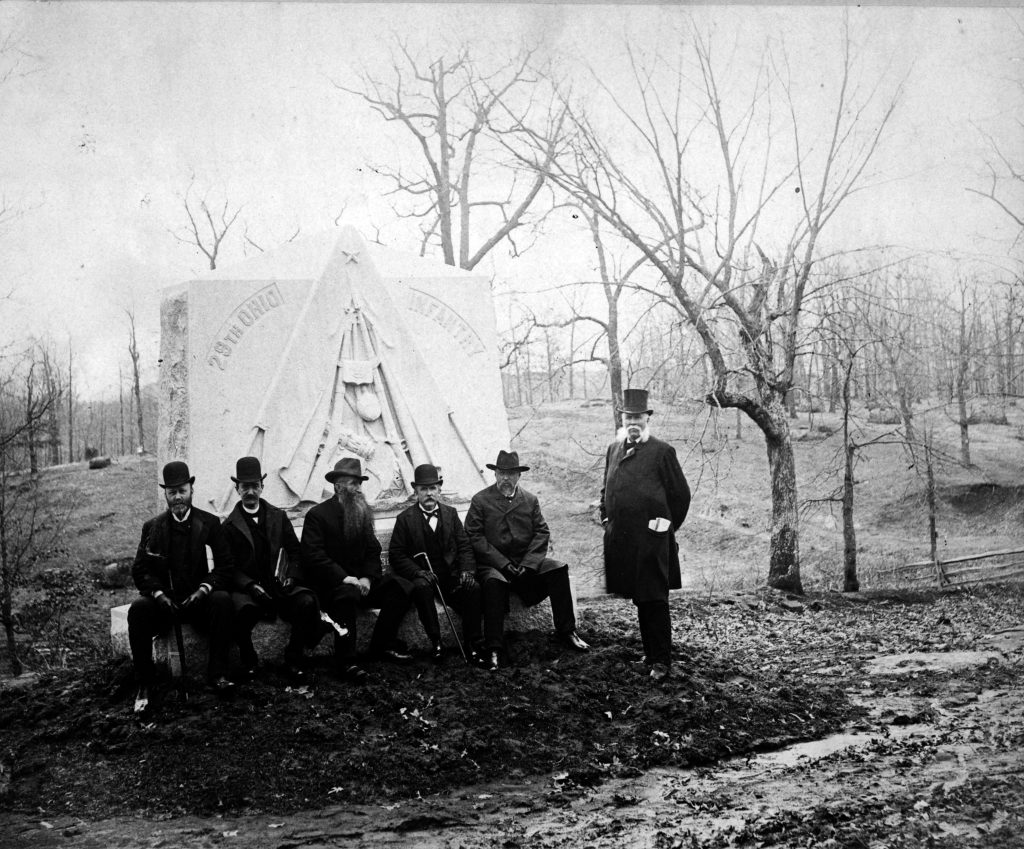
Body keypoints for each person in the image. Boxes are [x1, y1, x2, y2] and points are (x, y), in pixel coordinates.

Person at [465, 450, 589, 671]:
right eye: (502, 473)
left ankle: (566, 631)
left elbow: (542, 532)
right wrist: (503, 563)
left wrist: (529, 564)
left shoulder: (530, 500)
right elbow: (474, 536)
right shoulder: (481, 500)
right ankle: (494, 647)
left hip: (525, 564)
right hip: (494, 564)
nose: (506, 478)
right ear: (495, 475)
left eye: (511, 474)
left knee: (558, 569)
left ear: (519, 476)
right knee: (493, 583)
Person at [128, 460, 237, 709]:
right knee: (138, 610)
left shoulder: (209, 523)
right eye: (172, 492)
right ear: (165, 494)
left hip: (197, 602)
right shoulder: (153, 527)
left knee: (223, 601)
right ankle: (145, 682)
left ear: (191, 490)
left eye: (182, 491)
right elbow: (140, 569)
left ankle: (218, 675)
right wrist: (158, 595)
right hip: (166, 606)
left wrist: (204, 589)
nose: (177, 497)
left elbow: (225, 565)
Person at [600, 388, 691, 682]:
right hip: (625, 542)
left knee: (655, 599)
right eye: (629, 417)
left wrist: (667, 524)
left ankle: (662, 660)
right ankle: (650, 653)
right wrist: (605, 513)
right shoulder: (614, 450)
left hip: (652, 541)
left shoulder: (662, 452)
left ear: (646, 419)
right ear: (623, 419)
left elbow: (681, 494)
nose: (633, 422)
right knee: (640, 598)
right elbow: (606, 487)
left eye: (639, 416)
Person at [300, 457, 414, 681]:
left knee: (402, 587)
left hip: (361, 583)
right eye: (353, 483)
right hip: (334, 586)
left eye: (359, 483)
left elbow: (373, 549)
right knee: (346, 596)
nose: (358, 489)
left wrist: (368, 579)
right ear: (338, 486)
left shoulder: (361, 511)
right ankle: (346, 662)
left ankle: (381, 646)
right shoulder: (318, 515)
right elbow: (313, 556)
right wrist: (345, 578)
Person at [221, 456, 322, 685]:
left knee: (306, 601)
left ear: (262, 487)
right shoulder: (229, 526)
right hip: (250, 591)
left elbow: (296, 553)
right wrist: (250, 585)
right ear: (237, 489)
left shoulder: (278, 516)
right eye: (245, 487)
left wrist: (291, 577)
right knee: (241, 610)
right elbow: (228, 567)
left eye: (255, 486)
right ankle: (249, 660)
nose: (250, 492)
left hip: (279, 588)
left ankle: (293, 658)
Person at [388, 464, 483, 663]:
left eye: (432, 488)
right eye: (423, 489)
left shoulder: (451, 513)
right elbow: (397, 554)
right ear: (415, 491)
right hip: (425, 576)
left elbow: (464, 546)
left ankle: (472, 643)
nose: (429, 493)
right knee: (421, 590)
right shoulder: (405, 519)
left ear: (439, 489)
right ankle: (436, 642)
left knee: (472, 588)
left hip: (450, 575)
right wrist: (417, 572)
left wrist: (467, 570)